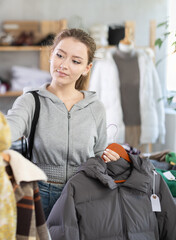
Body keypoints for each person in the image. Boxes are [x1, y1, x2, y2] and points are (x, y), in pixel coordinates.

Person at [6, 28, 120, 218]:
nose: (64, 65)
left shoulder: (95, 107)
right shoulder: (30, 101)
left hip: (84, 194)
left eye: (75, 61)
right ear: (51, 55)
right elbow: (8, 130)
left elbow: (99, 154)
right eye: (60, 55)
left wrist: (109, 159)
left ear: (86, 68)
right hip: (40, 193)